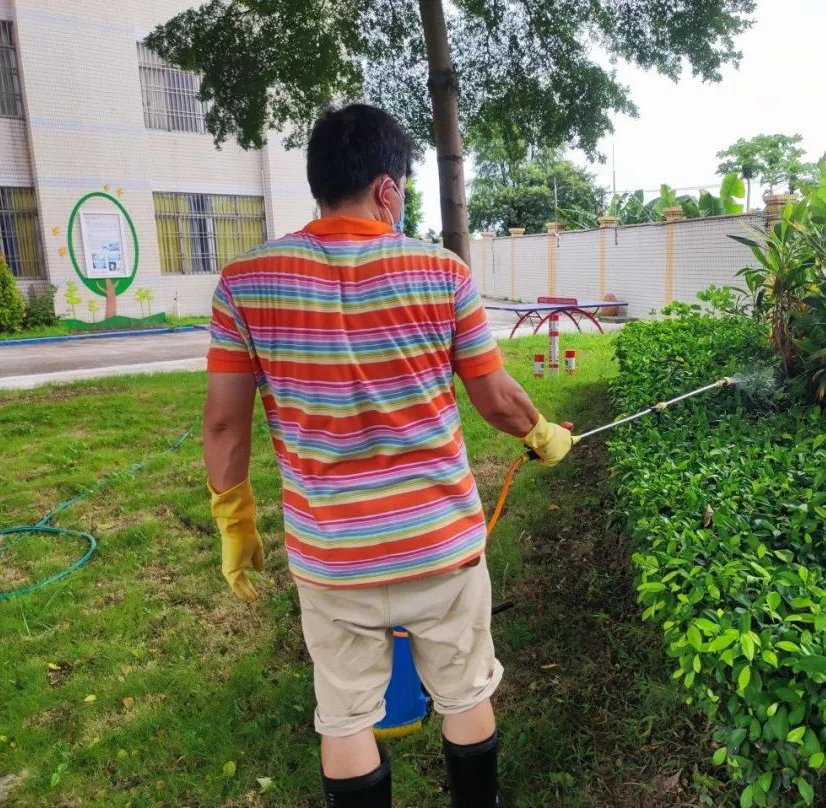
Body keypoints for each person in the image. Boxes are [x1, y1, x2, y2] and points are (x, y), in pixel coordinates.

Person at [202, 103, 575, 808]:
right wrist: (540, 433)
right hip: (440, 546)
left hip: (331, 558)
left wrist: (234, 519)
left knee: (344, 714)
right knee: (466, 692)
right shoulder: (442, 272)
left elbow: (224, 425)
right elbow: (496, 398)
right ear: (387, 188)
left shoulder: (244, 283)